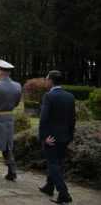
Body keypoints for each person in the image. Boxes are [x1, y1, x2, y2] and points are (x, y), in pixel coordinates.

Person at [38, 70, 75, 204]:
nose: (46, 81)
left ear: (51, 81)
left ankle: (64, 193)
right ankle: (49, 186)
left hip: (51, 138)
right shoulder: (70, 96)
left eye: (47, 79)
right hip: (64, 137)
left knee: (53, 165)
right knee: (57, 163)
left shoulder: (49, 96)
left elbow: (44, 119)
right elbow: (72, 119)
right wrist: (70, 136)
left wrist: (43, 137)